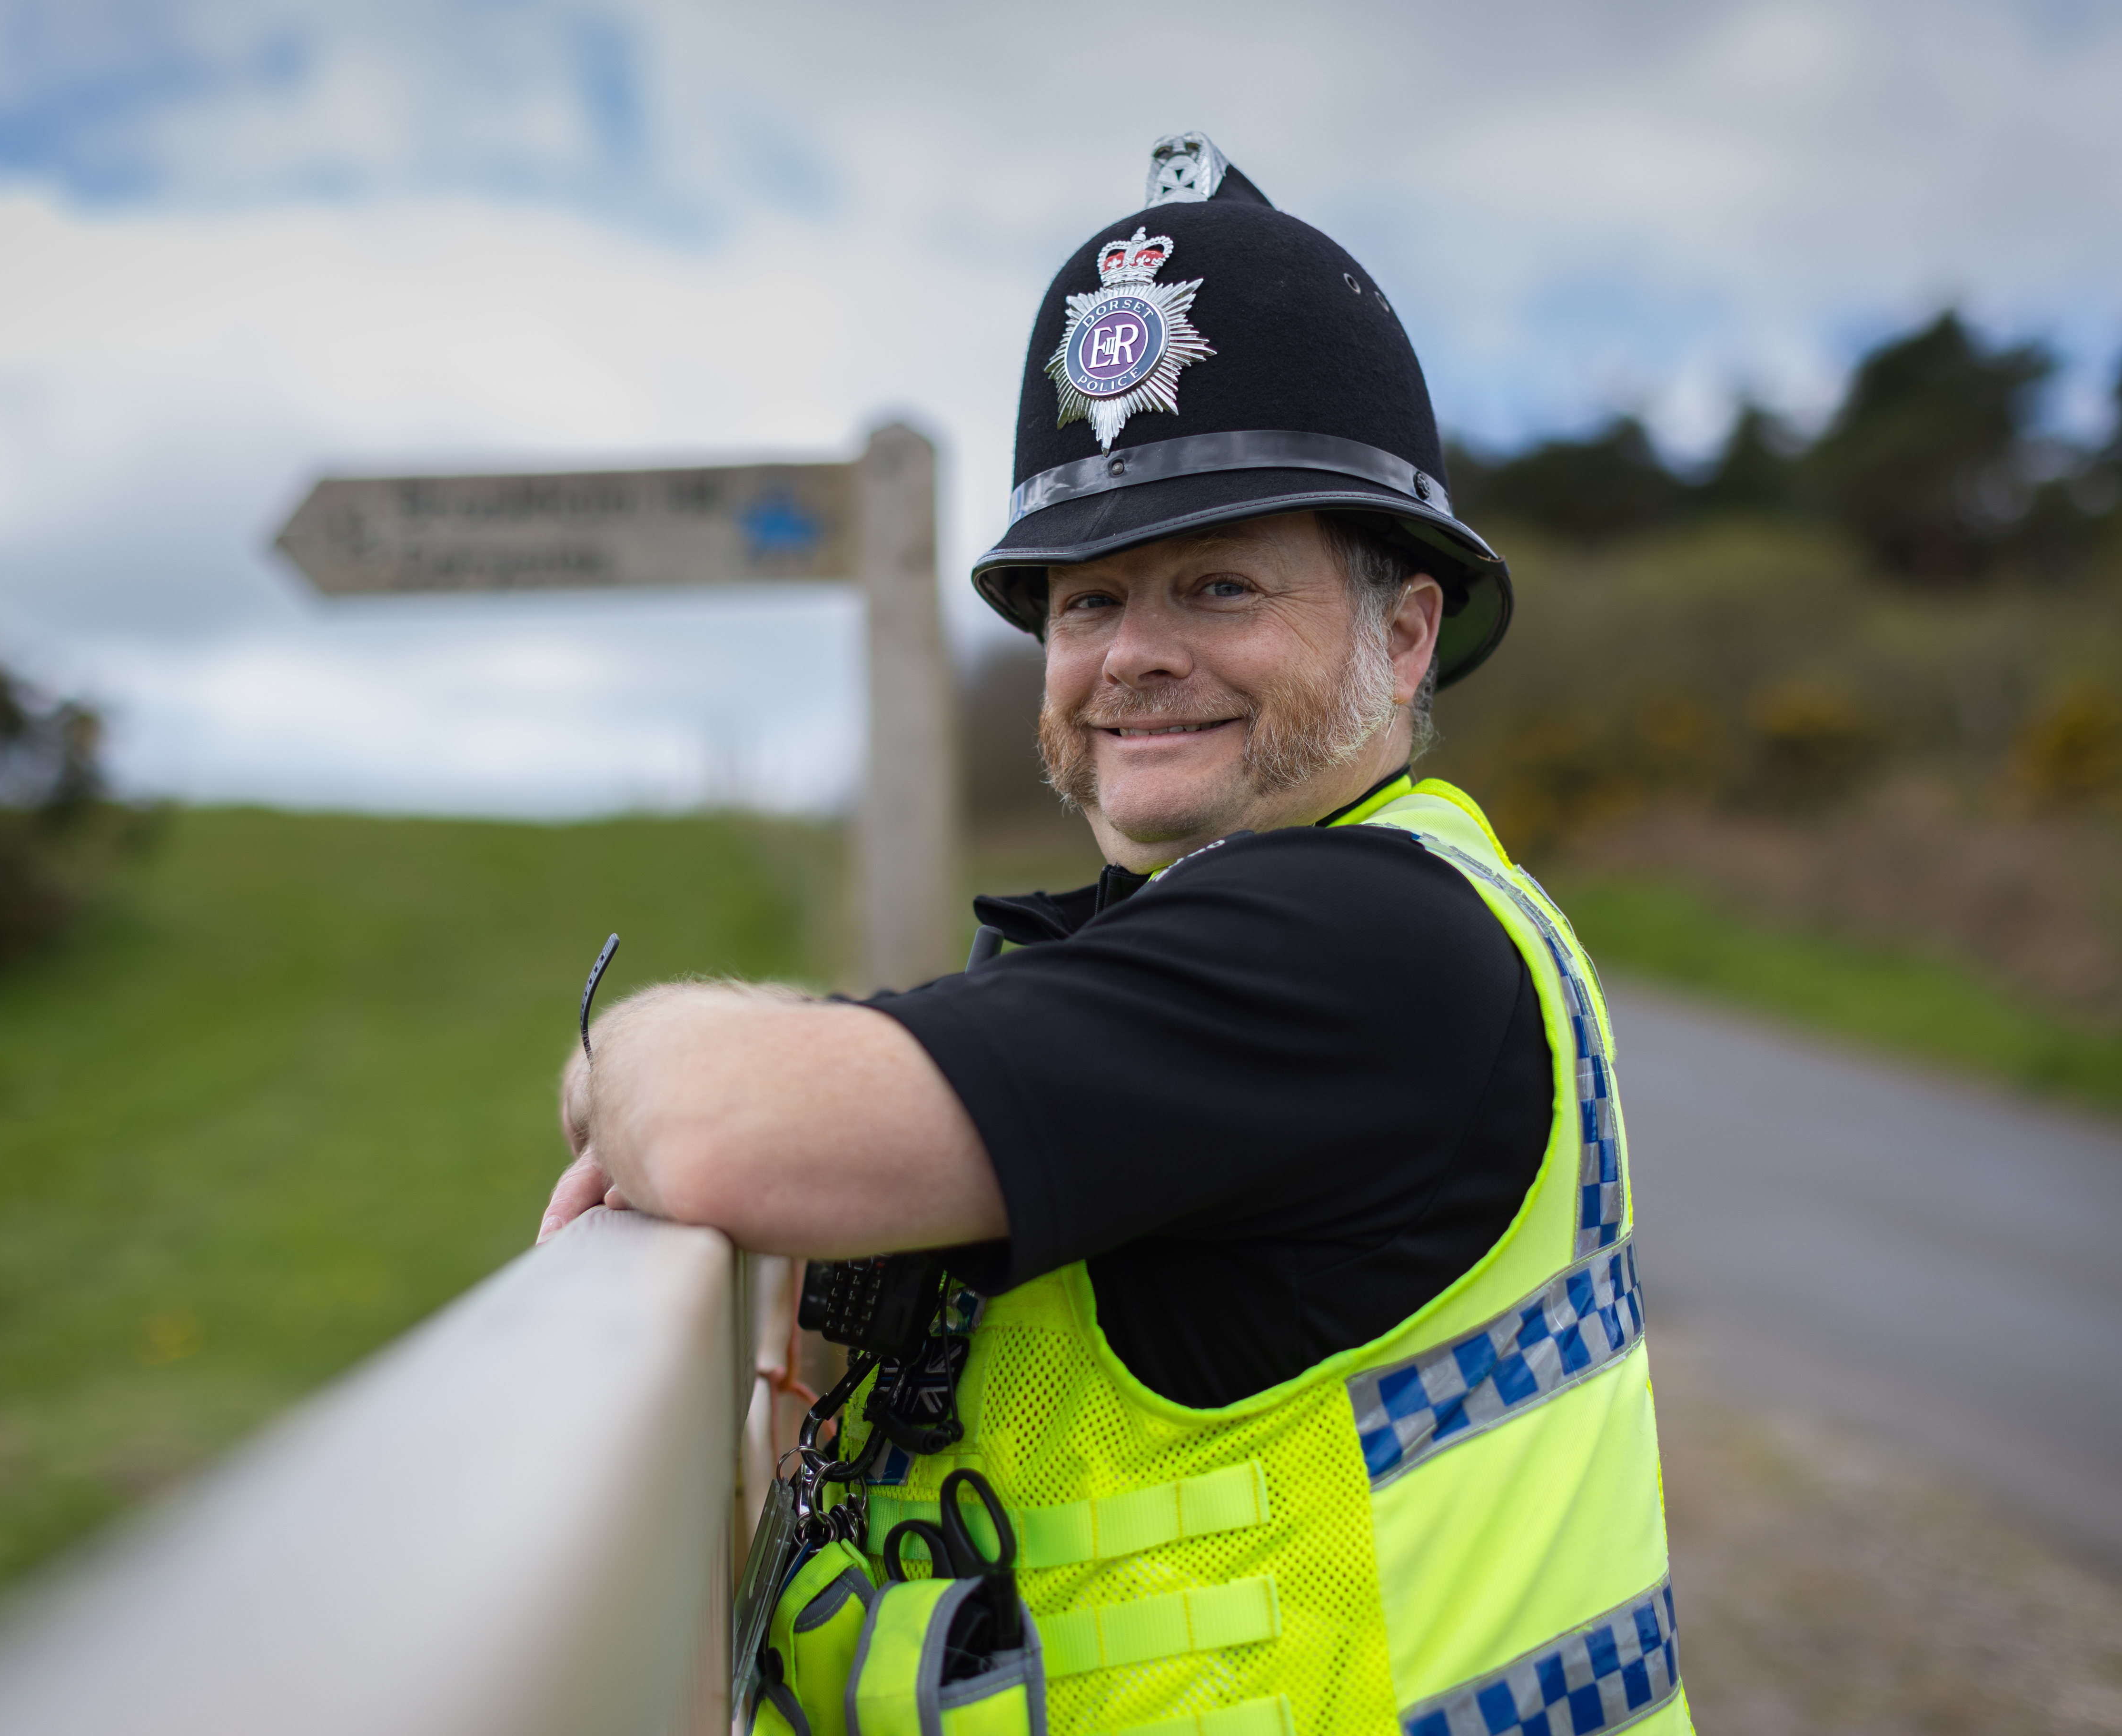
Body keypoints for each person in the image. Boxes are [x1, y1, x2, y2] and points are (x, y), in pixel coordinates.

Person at [541, 133, 1686, 1736]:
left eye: (1219, 588)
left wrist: (643, 1045)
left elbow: (730, 1128)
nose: (1133, 657)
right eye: (1087, 601)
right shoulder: (1236, 933)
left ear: (1404, 627)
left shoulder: (1359, 941)